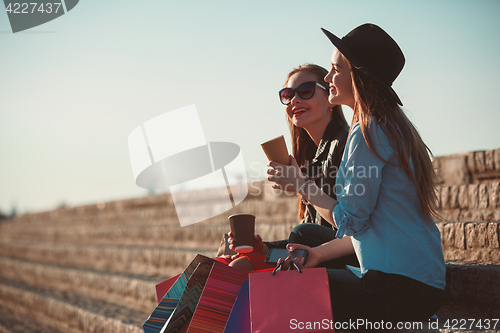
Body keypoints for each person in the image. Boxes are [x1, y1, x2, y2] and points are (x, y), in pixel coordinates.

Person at [267, 24, 446, 322]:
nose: (328, 77)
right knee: (305, 242)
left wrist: (301, 184)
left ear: (358, 77)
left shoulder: (368, 132)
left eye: (336, 69)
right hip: (418, 282)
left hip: (400, 287)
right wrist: (318, 253)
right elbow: (363, 224)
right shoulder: (386, 126)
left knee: (286, 289)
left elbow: (350, 221)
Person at [226, 64, 356, 271]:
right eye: (288, 95)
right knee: (230, 259)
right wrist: (263, 248)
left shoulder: (348, 143)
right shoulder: (307, 159)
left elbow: (347, 230)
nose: (295, 100)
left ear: (330, 97)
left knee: (242, 266)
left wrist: (301, 185)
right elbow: (313, 240)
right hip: (321, 253)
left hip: (351, 260)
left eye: (306, 91)